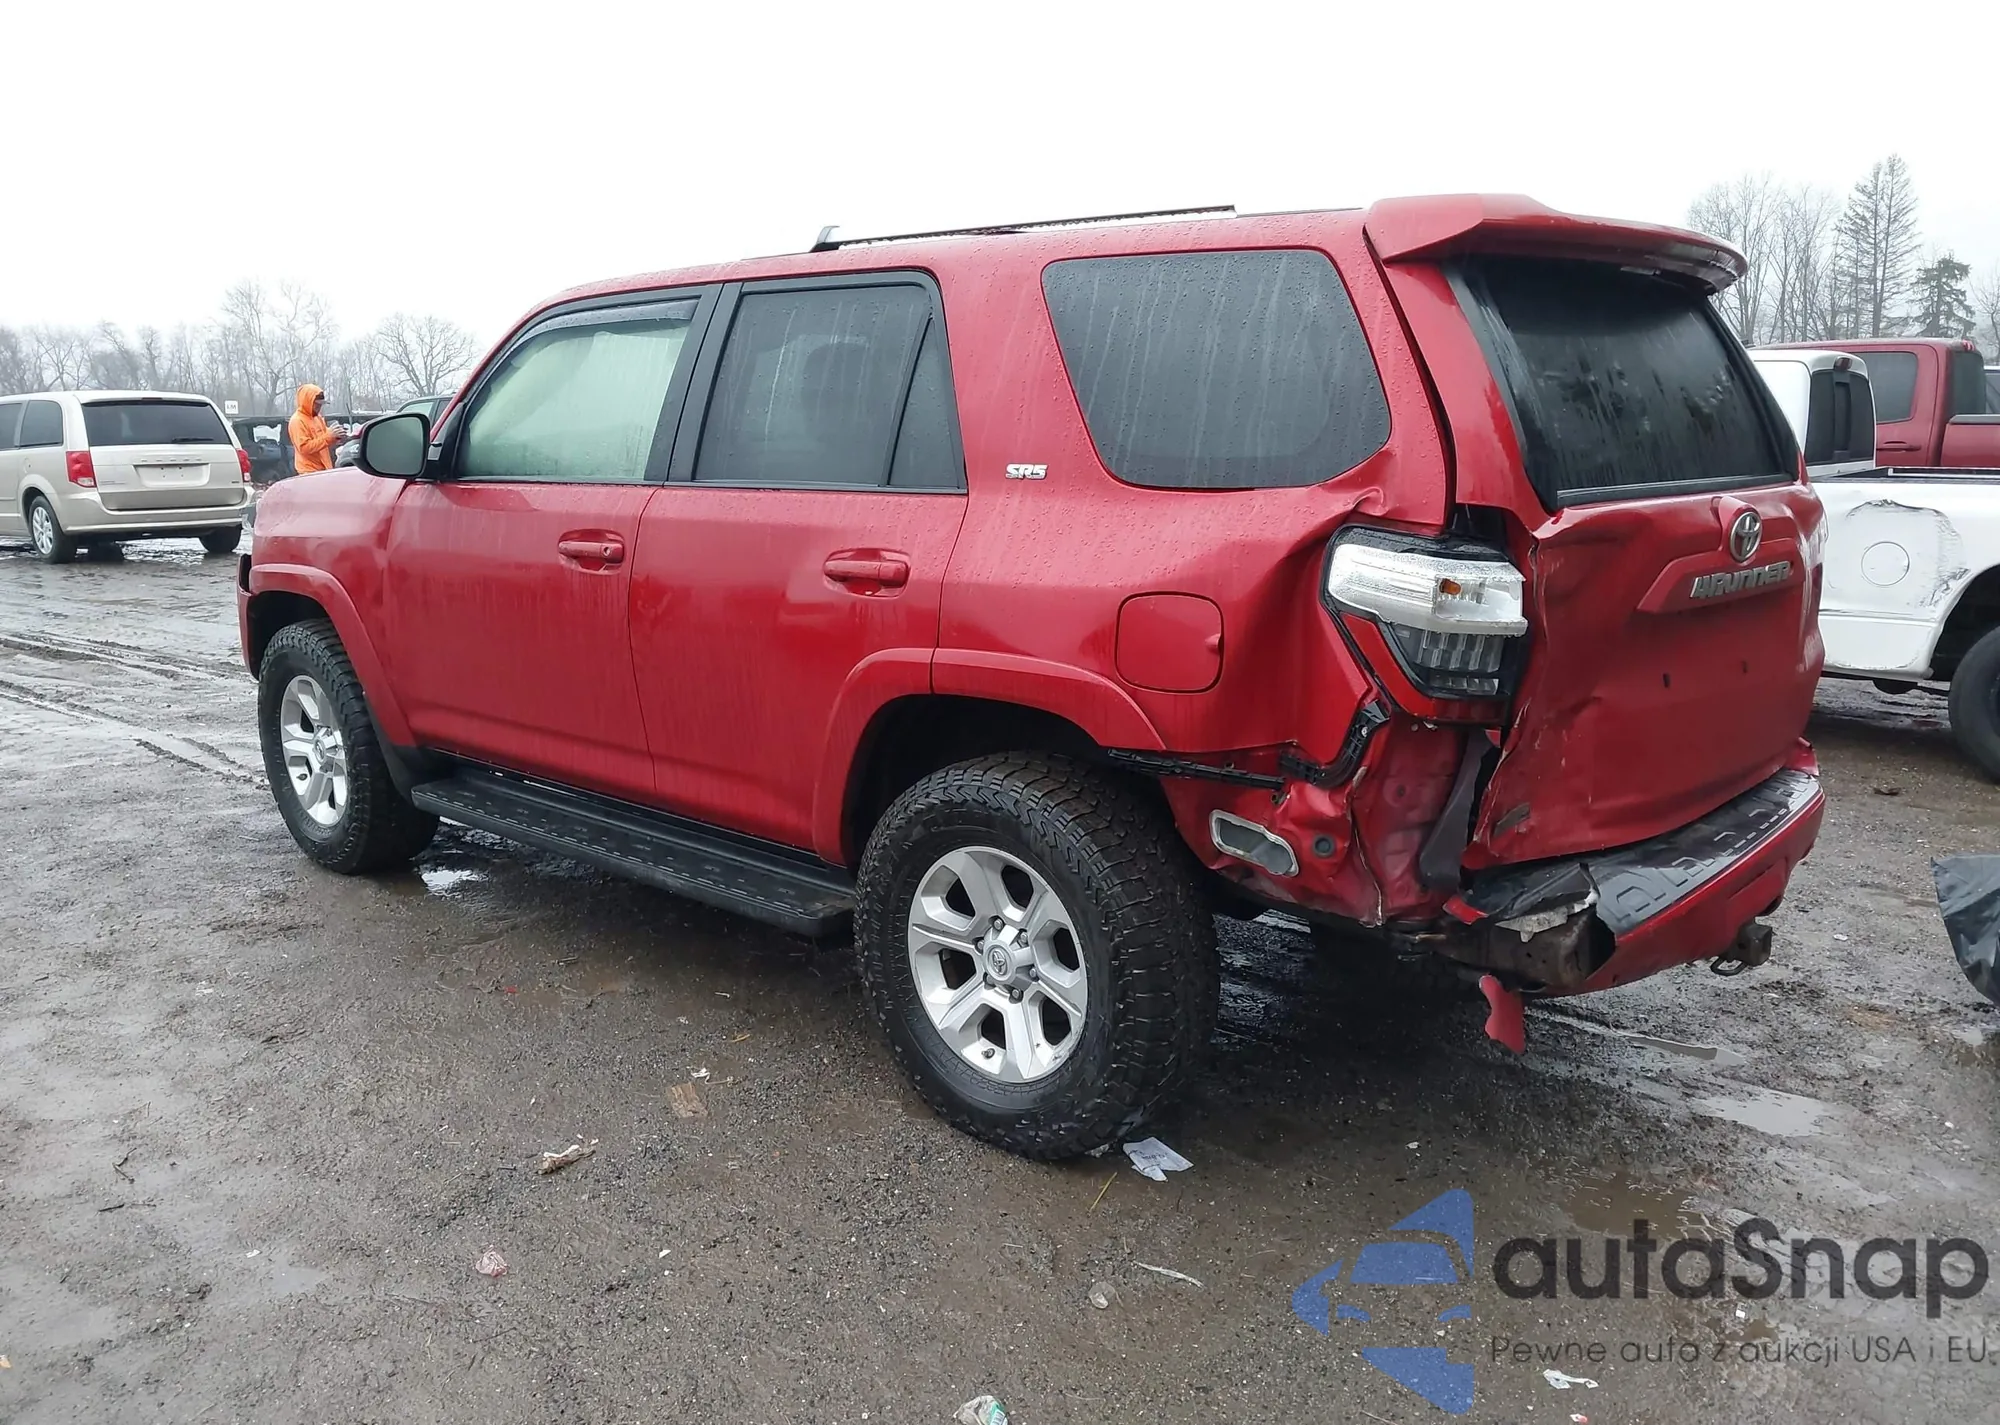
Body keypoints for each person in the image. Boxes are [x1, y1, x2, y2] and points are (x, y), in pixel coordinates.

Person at [287, 384, 349, 475]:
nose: (319, 408)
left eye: (321, 405)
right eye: (316, 404)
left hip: (323, 469)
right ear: (306, 401)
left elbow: (324, 438)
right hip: (308, 472)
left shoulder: (317, 417)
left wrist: (336, 436)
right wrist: (329, 437)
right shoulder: (297, 421)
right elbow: (304, 448)